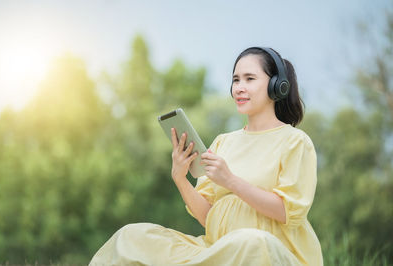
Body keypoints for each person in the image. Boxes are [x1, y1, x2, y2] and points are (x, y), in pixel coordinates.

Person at [89, 47, 323, 265]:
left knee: (252, 243)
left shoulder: (295, 141)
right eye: (235, 80)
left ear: (276, 86)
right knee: (133, 236)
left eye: (249, 79)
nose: (239, 87)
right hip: (220, 250)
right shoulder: (223, 142)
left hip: (272, 253)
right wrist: (180, 178)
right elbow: (208, 218)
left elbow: (287, 212)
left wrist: (230, 180)